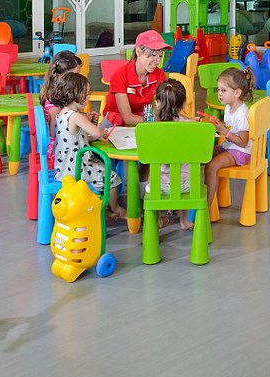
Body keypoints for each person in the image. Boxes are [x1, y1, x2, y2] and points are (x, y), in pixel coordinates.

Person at [48, 71, 124, 219]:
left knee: (101, 167)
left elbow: (76, 138)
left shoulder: (62, 114)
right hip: (77, 169)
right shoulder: (76, 116)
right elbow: (97, 132)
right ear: (74, 94)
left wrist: (90, 125)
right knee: (112, 177)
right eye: (86, 93)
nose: (89, 97)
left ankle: (101, 207)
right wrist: (102, 131)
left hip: (63, 167)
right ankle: (115, 208)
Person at [200, 66, 255, 222]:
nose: (219, 94)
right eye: (218, 90)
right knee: (203, 155)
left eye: (223, 90)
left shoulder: (241, 114)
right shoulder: (228, 107)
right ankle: (194, 197)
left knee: (211, 167)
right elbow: (230, 128)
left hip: (240, 153)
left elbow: (243, 142)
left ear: (237, 93)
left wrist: (224, 132)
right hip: (230, 147)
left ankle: (206, 208)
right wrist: (220, 125)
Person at [148, 79, 195, 229]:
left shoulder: (150, 129)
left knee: (151, 180)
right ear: (184, 104)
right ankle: (184, 221)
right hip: (187, 185)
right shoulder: (191, 127)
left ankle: (157, 220)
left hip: (159, 187)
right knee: (186, 171)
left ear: (157, 102)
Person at [102, 30, 169, 126]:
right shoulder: (120, 75)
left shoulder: (159, 75)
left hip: (144, 121)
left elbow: (166, 106)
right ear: (138, 52)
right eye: (153, 55)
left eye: (160, 55)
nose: (157, 61)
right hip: (114, 123)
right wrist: (155, 121)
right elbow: (127, 118)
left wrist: (187, 120)